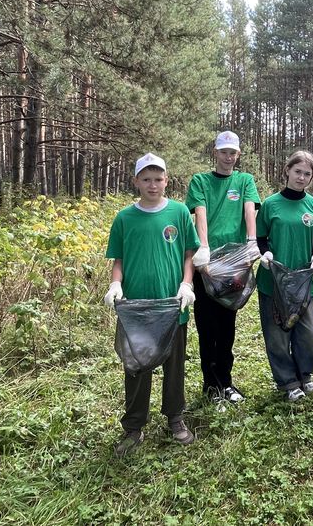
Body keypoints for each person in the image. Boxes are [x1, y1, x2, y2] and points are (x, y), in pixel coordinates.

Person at [103, 152, 200, 457]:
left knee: (174, 366)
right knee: (136, 367)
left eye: (158, 179)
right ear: (136, 182)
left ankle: (175, 417)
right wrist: (116, 284)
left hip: (172, 306)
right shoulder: (124, 218)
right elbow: (118, 259)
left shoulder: (179, 213)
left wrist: (186, 284)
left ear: (166, 181)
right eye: (146, 179)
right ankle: (134, 427)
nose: (153, 184)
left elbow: (188, 254)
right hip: (136, 310)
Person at [186, 131, 261, 404]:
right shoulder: (201, 181)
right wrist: (203, 248)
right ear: (215, 153)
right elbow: (200, 212)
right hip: (207, 264)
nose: (228, 157)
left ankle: (226, 382)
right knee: (207, 326)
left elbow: (249, 210)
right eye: (224, 152)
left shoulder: (244, 181)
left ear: (238, 155)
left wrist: (252, 242)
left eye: (233, 153)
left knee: (227, 323)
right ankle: (211, 386)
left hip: (235, 263)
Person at [256, 150, 313, 402]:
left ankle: (305, 374)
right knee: (277, 334)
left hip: (303, 281)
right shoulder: (270, 204)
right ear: (287, 171)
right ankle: (287, 381)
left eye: (307, 174)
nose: (302, 177)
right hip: (273, 281)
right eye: (298, 172)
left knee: (306, 331)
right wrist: (265, 255)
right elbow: (260, 238)